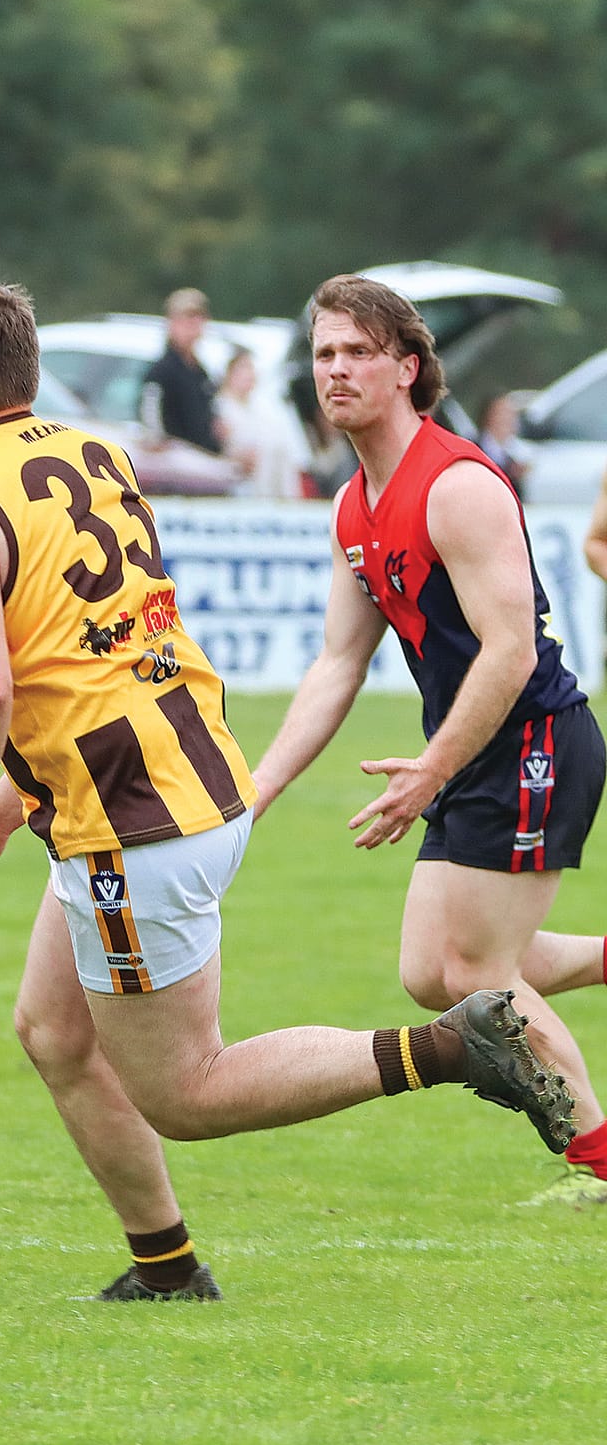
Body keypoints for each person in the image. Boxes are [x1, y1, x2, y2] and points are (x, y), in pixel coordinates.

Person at [0, 271, 574, 1301]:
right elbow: (88, 659)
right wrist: (2, 808)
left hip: (129, 825)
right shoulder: (92, 452)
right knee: (52, 1030)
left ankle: (444, 1048)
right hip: (180, 777)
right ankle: (163, 1265)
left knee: (184, 1090)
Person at [254, 273, 607, 1207]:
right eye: (324, 354)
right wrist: (255, 792)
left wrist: (431, 770)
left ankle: (599, 1162)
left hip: (532, 740)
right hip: (466, 753)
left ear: (408, 368)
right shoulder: (352, 508)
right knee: (429, 973)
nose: (336, 371)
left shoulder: (454, 483)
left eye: (357, 353)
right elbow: (337, 666)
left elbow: (511, 647)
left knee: (480, 975)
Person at [139, 287, 226, 457]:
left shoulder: (200, 372)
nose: (194, 325)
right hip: (175, 465)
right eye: (187, 318)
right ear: (172, 322)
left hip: (205, 460)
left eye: (199, 318)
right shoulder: (162, 372)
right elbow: (151, 419)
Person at [213, 346, 302, 500]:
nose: (249, 374)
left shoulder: (264, 407)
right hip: (235, 476)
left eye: (251, 369)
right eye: (243, 368)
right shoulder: (219, 406)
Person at [476, 391, 532, 492]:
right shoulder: (474, 448)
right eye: (502, 413)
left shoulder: (513, 454)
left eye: (511, 415)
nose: (507, 420)